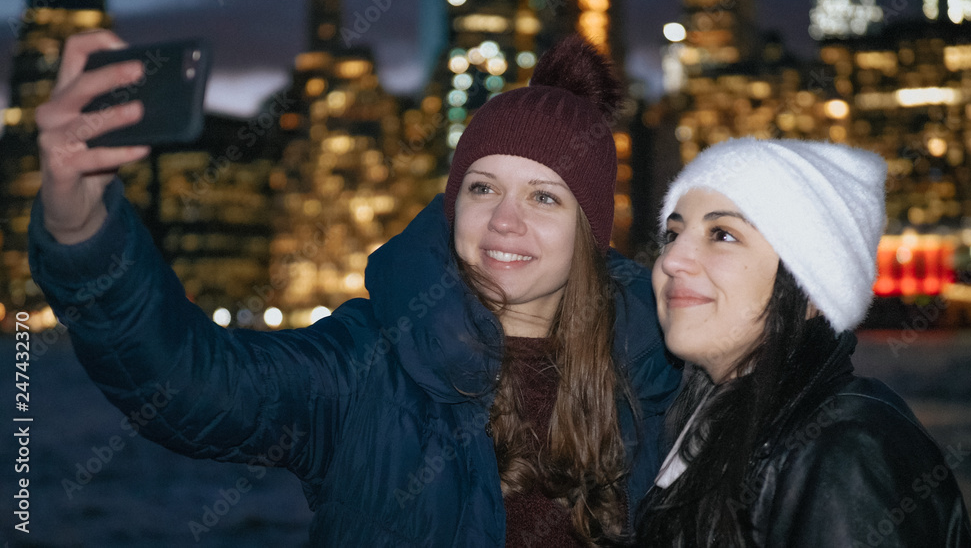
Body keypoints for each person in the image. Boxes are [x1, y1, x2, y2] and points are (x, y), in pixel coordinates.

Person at [29, 30, 681, 546]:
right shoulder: (371, 363)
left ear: (591, 232)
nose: (504, 219)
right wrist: (81, 220)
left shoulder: (664, 376)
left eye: (543, 196)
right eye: (483, 187)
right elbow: (187, 381)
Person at [636, 137, 971, 547]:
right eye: (673, 233)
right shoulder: (708, 425)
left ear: (812, 285)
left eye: (722, 234)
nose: (671, 260)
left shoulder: (846, 453)